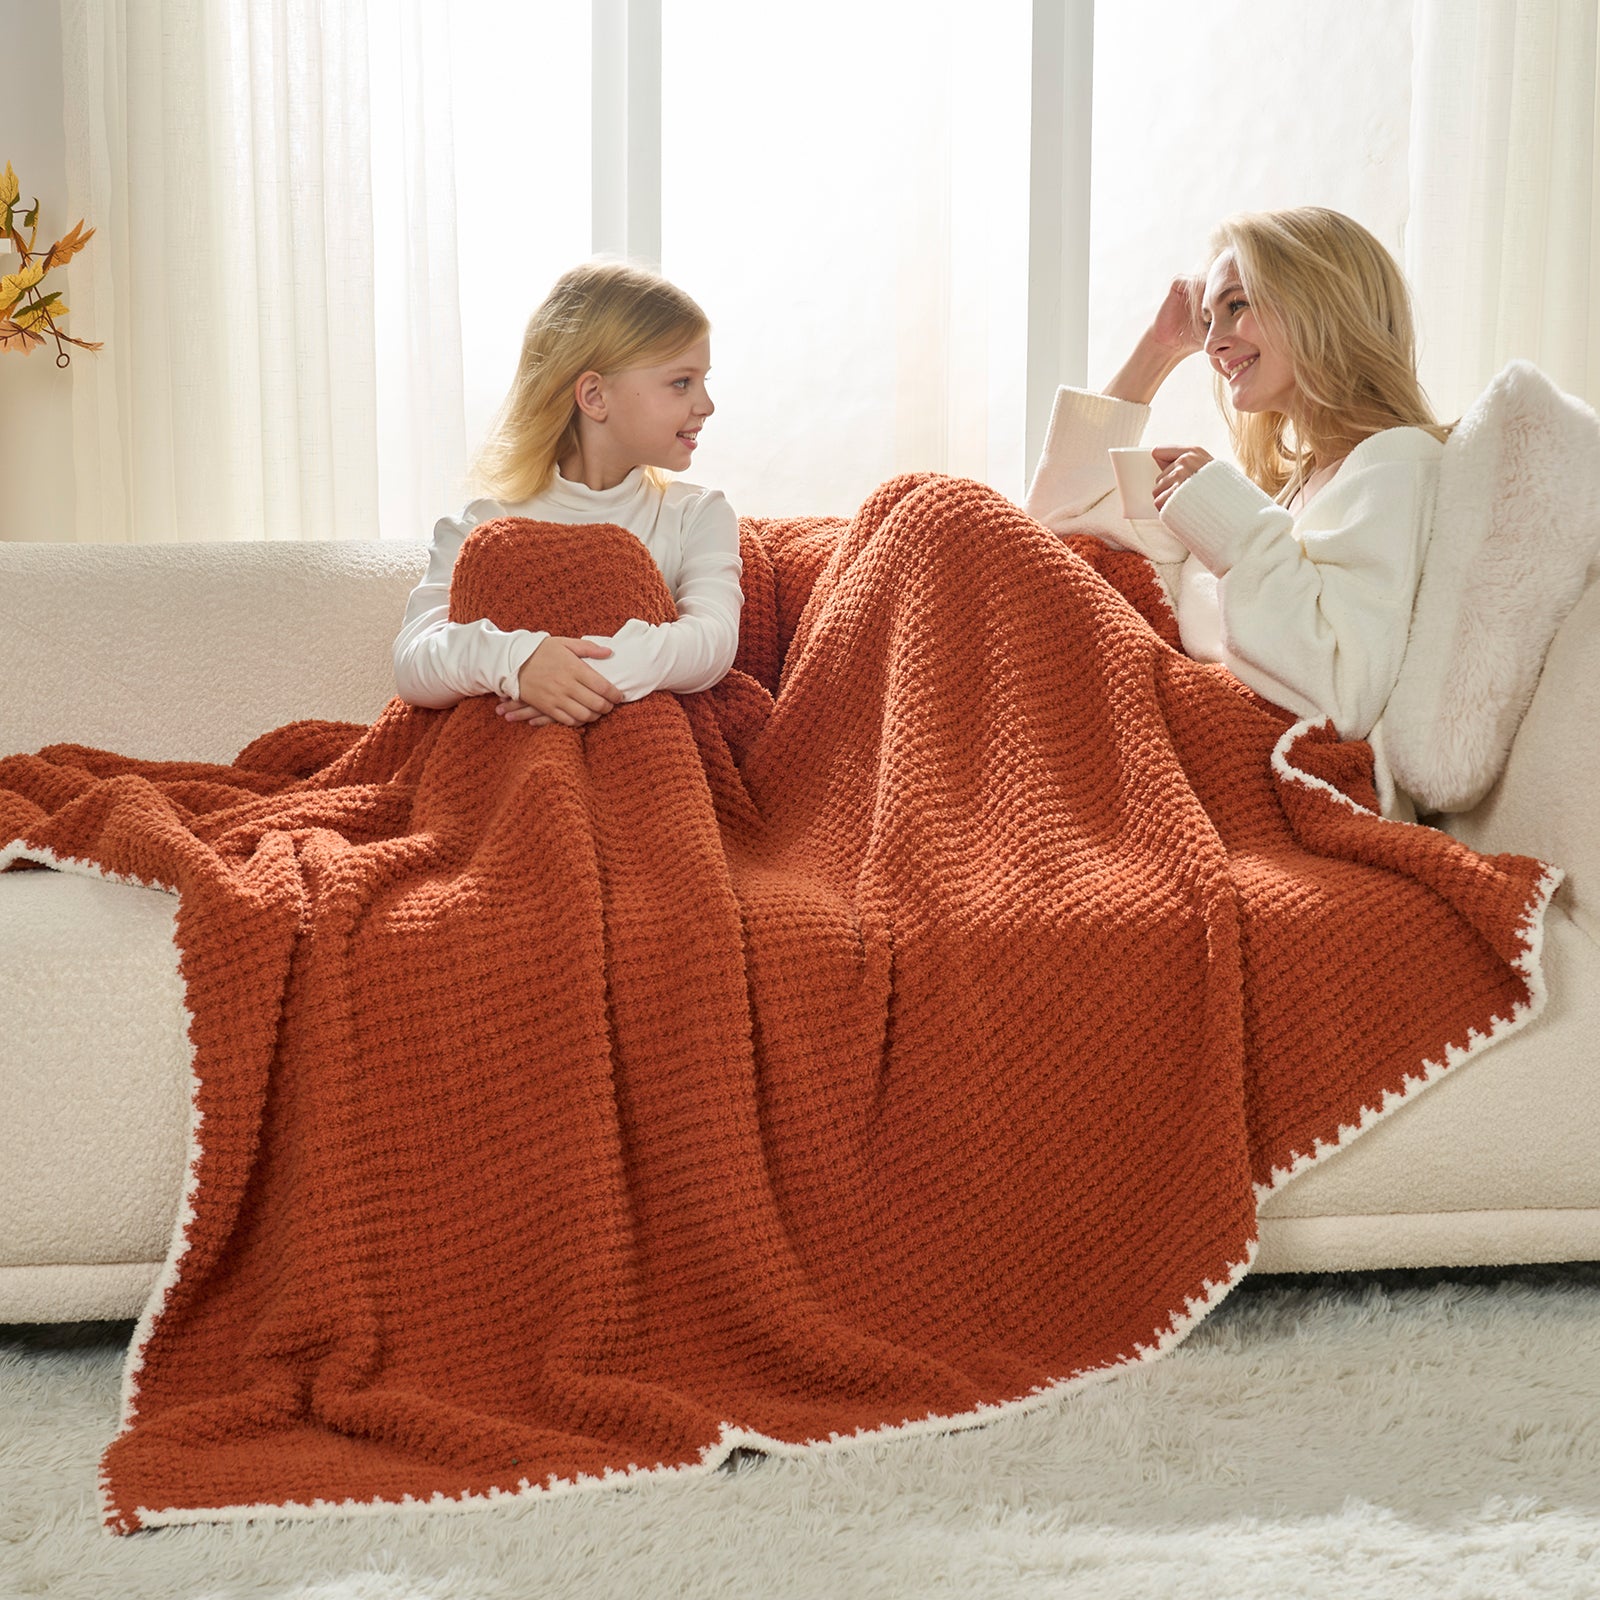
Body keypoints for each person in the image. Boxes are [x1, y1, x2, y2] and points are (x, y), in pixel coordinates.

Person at [1024, 206, 1449, 815]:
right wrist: (1158, 350)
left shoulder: (1395, 461)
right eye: (1207, 319)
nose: (1212, 343)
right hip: (1167, 724)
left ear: (1320, 303)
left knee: (942, 513)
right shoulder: (1287, 497)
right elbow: (1049, 532)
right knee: (943, 519)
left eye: (1237, 305)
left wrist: (1227, 518)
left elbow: (1340, 693)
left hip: (1230, 767)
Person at [393, 260, 742, 729]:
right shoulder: (484, 525)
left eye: (704, 381)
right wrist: (521, 663)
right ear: (595, 396)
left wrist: (571, 680)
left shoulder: (696, 515)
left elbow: (713, 641)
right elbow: (413, 662)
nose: (707, 405)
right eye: (682, 382)